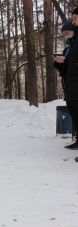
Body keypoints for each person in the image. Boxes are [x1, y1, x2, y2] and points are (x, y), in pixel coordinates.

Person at [54, 8, 78, 150]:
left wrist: (66, 61)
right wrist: (59, 63)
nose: (66, 35)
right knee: (74, 113)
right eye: (64, 33)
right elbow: (67, 70)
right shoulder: (69, 48)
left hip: (75, 85)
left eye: (68, 32)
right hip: (70, 85)